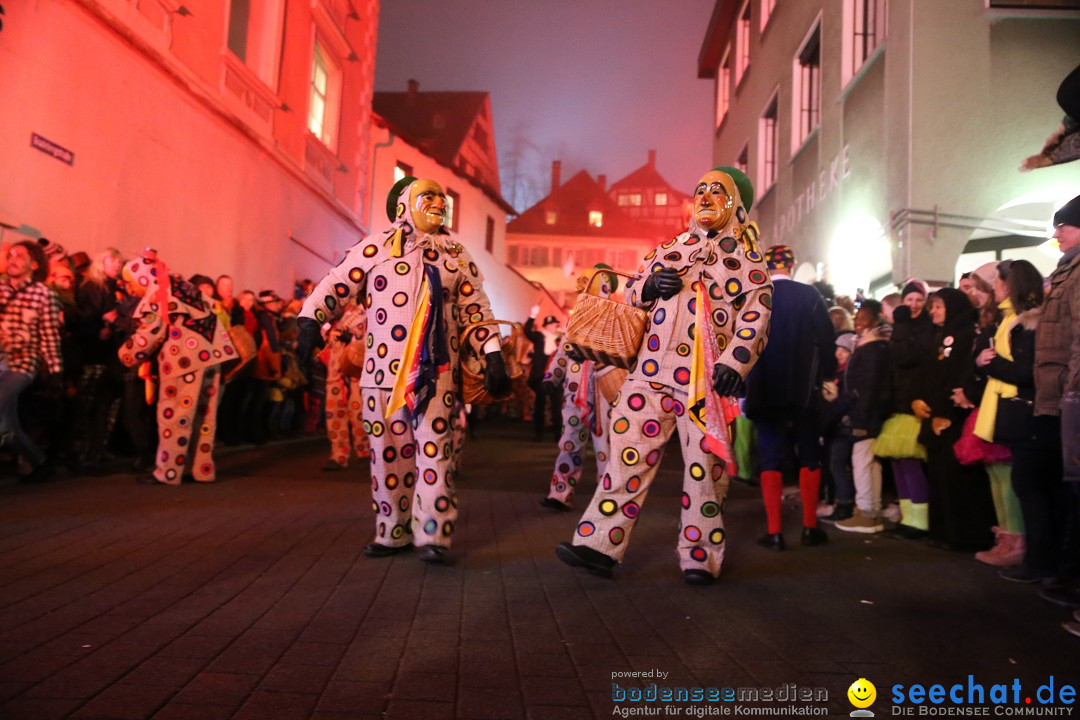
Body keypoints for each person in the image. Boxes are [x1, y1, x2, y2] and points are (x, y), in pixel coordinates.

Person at [555, 166, 771, 585]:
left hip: (705, 383)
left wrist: (733, 363)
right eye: (700, 189)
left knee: (704, 472)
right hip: (649, 374)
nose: (705, 197)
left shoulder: (747, 260)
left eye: (717, 192)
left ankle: (699, 557)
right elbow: (633, 290)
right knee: (625, 455)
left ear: (736, 204)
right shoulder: (671, 247)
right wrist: (650, 286)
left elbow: (757, 314)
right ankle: (598, 546)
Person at [296, 175, 510, 564]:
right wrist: (309, 321)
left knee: (435, 452)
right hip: (381, 375)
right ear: (403, 204)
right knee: (386, 454)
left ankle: (432, 534)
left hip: (437, 374)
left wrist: (492, 353)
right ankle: (392, 529)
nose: (440, 203)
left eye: (443, 199)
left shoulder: (455, 254)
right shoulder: (374, 248)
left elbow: (477, 309)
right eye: (429, 196)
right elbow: (336, 283)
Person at [743, 244, 836, 550]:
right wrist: (827, 374)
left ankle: (775, 532)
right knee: (809, 453)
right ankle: (810, 527)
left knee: (770, 456)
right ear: (793, 265)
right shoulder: (809, 296)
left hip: (764, 388)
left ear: (765, 266)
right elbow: (826, 338)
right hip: (803, 390)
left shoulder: (754, 294)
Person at [117, 249, 238, 485]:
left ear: (142, 277)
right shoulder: (183, 286)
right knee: (204, 416)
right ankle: (201, 469)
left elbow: (152, 332)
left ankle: (168, 471)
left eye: (130, 283)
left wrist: (125, 355)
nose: (129, 290)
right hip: (212, 356)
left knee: (174, 415)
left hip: (184, 360)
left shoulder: (159, 292)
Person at [913, 288, 995, 552]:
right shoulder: (939, 336)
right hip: (935, 413)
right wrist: (920, 400)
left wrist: (944, 411)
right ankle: (942, 530)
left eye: (938, 306)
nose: (933, 312)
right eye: (932, 307)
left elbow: (958, 375)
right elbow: (929, 373)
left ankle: (964, 534)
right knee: (938, 476)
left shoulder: (965, 335)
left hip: (953, 416)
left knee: (958, 478)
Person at [539, 268, 619, 511]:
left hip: (603, 389)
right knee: (569, 442)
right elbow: (563, 351)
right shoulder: (577, 318)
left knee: (604, 446)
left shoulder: (615, 318)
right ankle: (560, 493)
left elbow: (620, 352)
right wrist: (552, 377)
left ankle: (608, 499)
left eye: (589, 282)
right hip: (574, 391)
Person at [1033, 195, 1080, 613]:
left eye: (1064, 225)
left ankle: (1068, 575)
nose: (1057, 233)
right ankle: (1064, 573)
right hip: (1062, 394)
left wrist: (1073, 388)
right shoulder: (1067, 269)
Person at [874, 279, 935, 538]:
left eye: (919, 300)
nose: (913, 304)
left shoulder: (925, 329)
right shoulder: (905, 327)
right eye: (909, 300)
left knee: (910, 462)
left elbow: (907, 357)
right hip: (898, 401)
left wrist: (901, 326)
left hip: (915, 400)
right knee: (898, 463)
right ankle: (908, 517)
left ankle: (919, 521)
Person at [0, 241, 64, 480]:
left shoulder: (44, 295)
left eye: (19, 255)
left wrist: (56, 372)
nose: (12, 259)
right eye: (10, 255)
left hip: (22, 364)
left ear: (34, 264)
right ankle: (39, 460)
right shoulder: (1, 288)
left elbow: (49, 337)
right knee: (6, 427)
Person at [833, 301, 891, 533]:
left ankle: (867, 513)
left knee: (863, 464)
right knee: (870, 463)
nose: (858, 323)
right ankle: (870, 509)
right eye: (857, 318)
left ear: (875, 321)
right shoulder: (871, 346)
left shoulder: (871, 349)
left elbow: (868, 387)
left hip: (866, 416)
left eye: (864, 318)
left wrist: (859, 418)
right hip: (870, 414)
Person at [322, 302, 370, 471]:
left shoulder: (365, 312)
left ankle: (364, 451)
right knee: (335, 411)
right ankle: (338, 454)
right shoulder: (334, 316)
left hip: (356, 371)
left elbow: (370, 340)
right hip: (335, 372)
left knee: (358, 413)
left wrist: (349, 337)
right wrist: (329, 334)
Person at [524, 308, 563, 440]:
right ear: (546, 326)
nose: (554, 326)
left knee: (556, 407)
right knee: (539, 405)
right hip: (541, 377)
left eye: (555, 324)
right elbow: (527, 331)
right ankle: (538, 433)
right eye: (552, 325)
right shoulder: (539, 337)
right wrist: (532, 315)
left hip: (556, 378)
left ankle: (558, 434)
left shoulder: (560, 340)